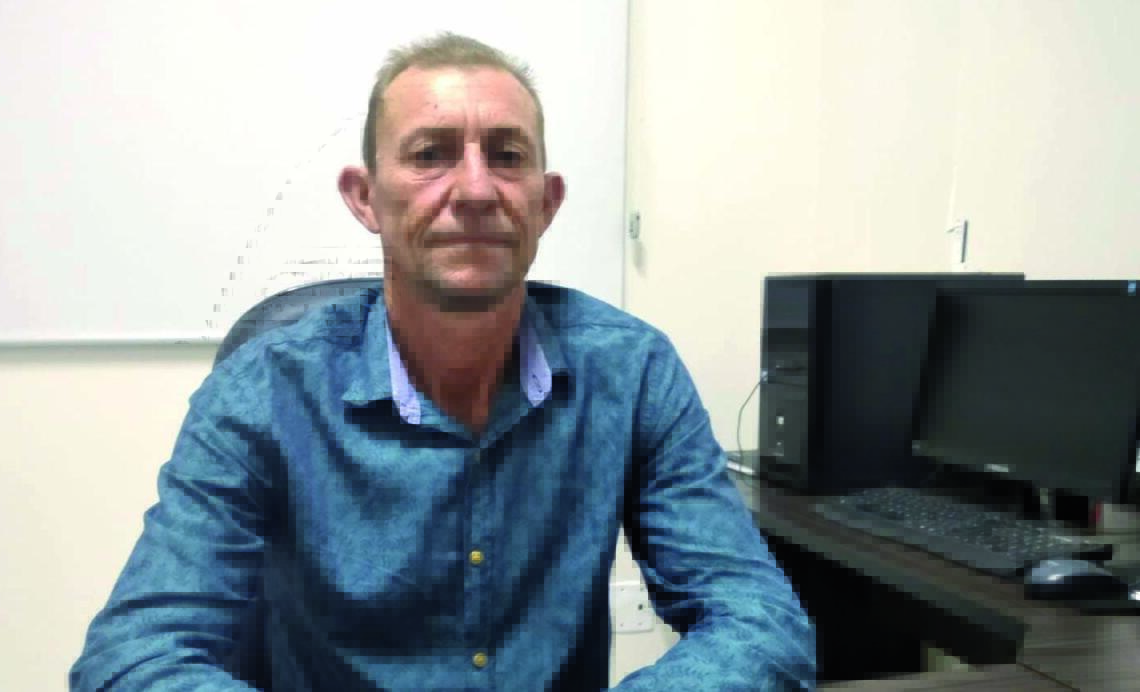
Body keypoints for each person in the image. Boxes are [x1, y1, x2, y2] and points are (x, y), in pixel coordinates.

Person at [71, 32, 816, 691]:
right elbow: (131, 657)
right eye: (430, 154)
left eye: (507, 155)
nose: (476, 189)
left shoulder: (631, 372)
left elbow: (762, 625)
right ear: (365, 198)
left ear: (547, 202)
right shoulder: (265, 389)